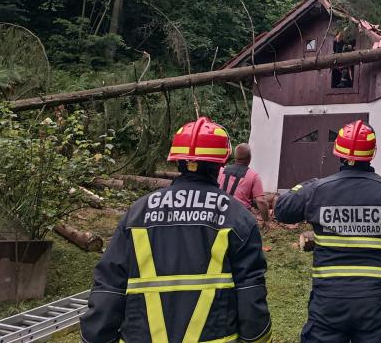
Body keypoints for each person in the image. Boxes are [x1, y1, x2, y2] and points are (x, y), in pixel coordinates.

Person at [80, 116, 272, 343]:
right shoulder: (238, 218)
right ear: (220, 163)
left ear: (177, 161)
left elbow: (110, 286)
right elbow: (251, 296)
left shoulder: (138, 212)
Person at [274, 120, 381, 342]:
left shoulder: (318, 190)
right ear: (372, 153)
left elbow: (283, 209)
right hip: (376, 305)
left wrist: (310, 185)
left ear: (337, 152)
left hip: (328, 304)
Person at [219, 143, 270, 228]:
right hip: (241, 217)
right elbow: (261, 201)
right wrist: (266, 220)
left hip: (220, 215)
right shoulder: (254, 176)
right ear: (250, 158)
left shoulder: (222, 171)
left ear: (235, 157)